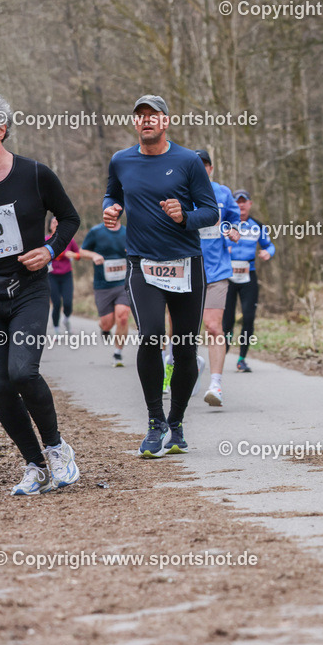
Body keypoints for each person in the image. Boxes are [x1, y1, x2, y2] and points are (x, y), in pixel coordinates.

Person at [0, 89, 81, 494]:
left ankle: (57, 448)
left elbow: (69, 218)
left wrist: (49, 250)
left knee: (22, 372)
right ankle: (34, 465)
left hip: (28, 291)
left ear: (1, 129)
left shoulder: (35, 174)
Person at [103, 94, 218, 458]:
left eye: (153, 115)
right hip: (143, 264)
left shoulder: (187, 161)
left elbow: (211, 212)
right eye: (140, 115)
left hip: (187, 265)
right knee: (151, 336)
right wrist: (111, 210)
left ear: (166, 121)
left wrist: (184, 216)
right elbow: (111, 194)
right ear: (135, 123)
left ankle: (176, 422)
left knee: (185, 349)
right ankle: (155, 423)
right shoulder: (121, 160)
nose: (147, 120)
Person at [194, 149, 240, 406]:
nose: (201, 169)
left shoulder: (223, 193)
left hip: (216, 270)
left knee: (213, 326)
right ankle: (184, 366)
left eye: (205, 165)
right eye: (196, 165)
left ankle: (216, 385)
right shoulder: (179, 192)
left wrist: (233, 230)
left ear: (210, 169)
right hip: (185, 270)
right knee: (180, 329)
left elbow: (233, 220)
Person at [223, 189, 275, 372]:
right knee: (227, 321)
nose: (241, 205)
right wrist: (224, 249)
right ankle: (221, 356)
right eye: (237, 201)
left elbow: (269, 245)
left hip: (248, 276)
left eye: (244, 201)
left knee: (249, 317)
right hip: (228, 277)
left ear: (250, 204)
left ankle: (242, 359)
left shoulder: (257, 225)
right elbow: (212, 244)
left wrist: (268, 252)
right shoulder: (226, 225)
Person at [79, 220, 130, 366]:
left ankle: (118, 353)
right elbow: (82, 251)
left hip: (123, 283)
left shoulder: (127, 232)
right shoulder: (96, 232)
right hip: (103, 285)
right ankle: (104, 328)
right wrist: (94, 255)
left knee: (123, 317)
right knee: (107, 323)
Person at [46, 216, 81, 335]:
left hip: (66, 275)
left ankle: (66, 319)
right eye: (53, 222)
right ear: (49, 226)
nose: (56, 224)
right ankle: (56, 329)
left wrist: (73, 255)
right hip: (52, 276)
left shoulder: (69, 240)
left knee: (67, 303)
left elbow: (79, 254)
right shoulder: (45, 240)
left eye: (58, 222)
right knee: (56, 303)